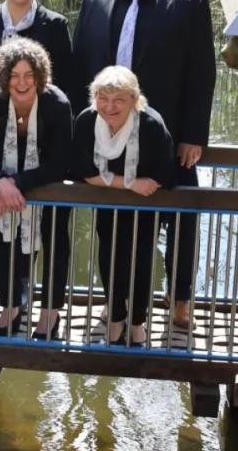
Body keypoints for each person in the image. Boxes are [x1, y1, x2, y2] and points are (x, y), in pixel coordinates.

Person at [72, 0, 215, 336]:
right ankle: (113, 300)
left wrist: (194, 135)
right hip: (108, 136)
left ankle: (181, 298)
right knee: (109, 225)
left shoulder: (189, 4)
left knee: (182, 217)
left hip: (167, 139)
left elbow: (201, 74)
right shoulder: (94, 2)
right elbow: (81, 66)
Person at [0, 39, 74, 341]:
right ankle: (11, 308)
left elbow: (60, 163)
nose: (21, 83)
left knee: (55, 247)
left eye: (29, 75)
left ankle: (50, 315)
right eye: (15, 75)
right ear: (4, 77)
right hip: (6, 189)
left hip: (49, 188)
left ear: (40, 76)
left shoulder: (56, 105)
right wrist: (0, 182)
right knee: (5, 245)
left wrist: (15, 184)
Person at [70, 66, 175, 346]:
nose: (110, 106)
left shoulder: (151, 125)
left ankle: (138, 321)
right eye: (103, 98)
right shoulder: (86, 122)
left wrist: (136, 185)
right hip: (108, 206)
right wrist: (129, 184)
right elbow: (83, 170)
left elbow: (161, 174)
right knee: (110, 257)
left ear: (134, 99)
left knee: (142, 260)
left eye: (119, 100)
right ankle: (115, 317)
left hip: (146, 208)